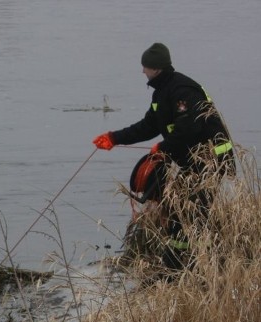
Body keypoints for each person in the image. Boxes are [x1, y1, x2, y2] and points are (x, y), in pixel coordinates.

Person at [93, 42, 234, 271]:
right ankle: (188, 265)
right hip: (192, 162)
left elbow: (189, 129)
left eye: (145, 67)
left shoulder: (182, 90)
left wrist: (162, 148)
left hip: (210, 162)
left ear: (156, 68)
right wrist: (113, 138)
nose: (142, 71)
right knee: (181, 211)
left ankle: (179, 270)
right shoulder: (162, 93)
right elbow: (148, 126)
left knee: (188, 214)